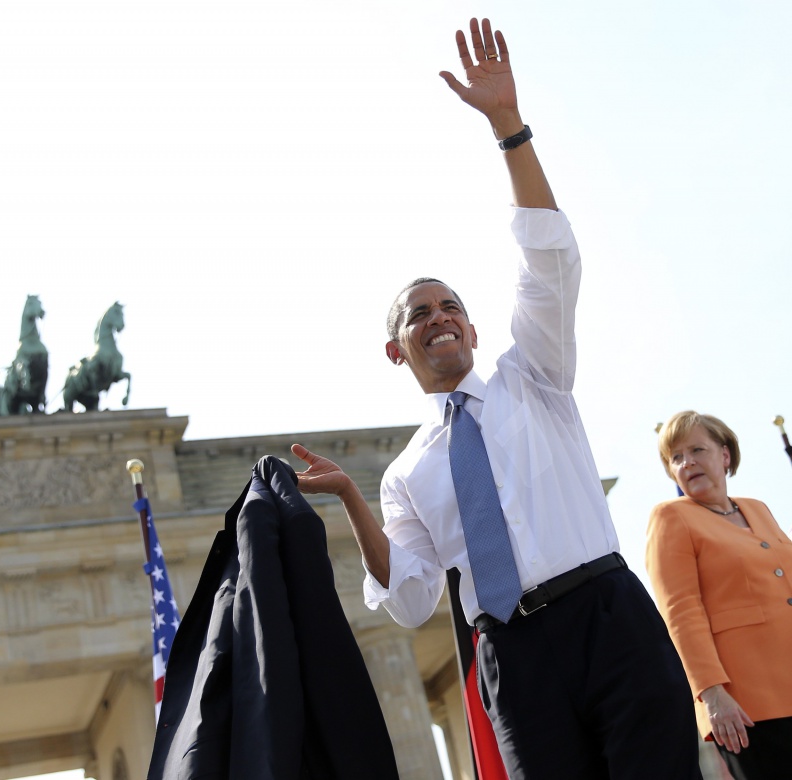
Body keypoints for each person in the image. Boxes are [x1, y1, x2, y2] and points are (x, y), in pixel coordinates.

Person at [292, 18, 702, 779]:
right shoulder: (405, 475)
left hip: (606, 616)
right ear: (397, 349)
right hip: (511, 656)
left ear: (474, 328)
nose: (439, 317)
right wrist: (349, 496)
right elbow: (412, 599)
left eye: (450, 306)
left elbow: (549, 259)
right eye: (420, 314)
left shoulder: (533, 375)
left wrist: (509, 128)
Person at [647, 411, 792, 780]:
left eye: (697, 449)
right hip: (747, 705)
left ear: (725, 456)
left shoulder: (758, 508)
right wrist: (711, 694)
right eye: (676, 457)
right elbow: (679, 612)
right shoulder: (670, 517)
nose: (687, 462)